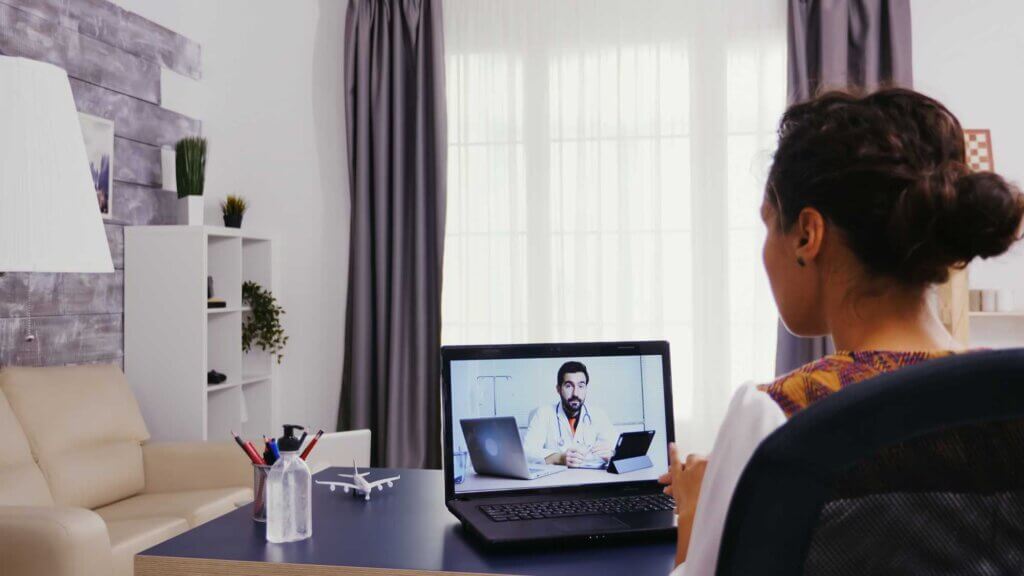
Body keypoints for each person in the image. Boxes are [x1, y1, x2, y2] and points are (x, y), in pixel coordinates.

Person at [659, 88, 1024, 574]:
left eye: (769, 226)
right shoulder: (1006, 401)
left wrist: (693, 510)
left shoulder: (772, 415)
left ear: (807, 235)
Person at [523, 360, 617, 467]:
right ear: (558, 389)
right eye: (569, 386)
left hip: (591, 479)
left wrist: (612, 454)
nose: (575, 393)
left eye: (581, 386)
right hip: (556, 480)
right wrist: (560, 458)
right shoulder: (544, 413)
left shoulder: (598, 414)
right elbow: (527, 452)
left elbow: (616, 447)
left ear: (586, 388)